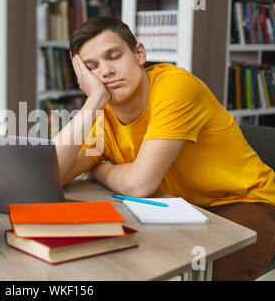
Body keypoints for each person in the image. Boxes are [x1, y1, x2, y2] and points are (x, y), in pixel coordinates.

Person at [53, 16, 275, 281]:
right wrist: (94, 100)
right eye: (92, 67)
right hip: (175, 209)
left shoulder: (175, 86)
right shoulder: (100, 113)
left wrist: (99, 170)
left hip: (245, 203)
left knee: (210, 274)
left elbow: (140, 185)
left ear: (139, 53)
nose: (105, 71)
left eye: (114, 56)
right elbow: (51, 174)